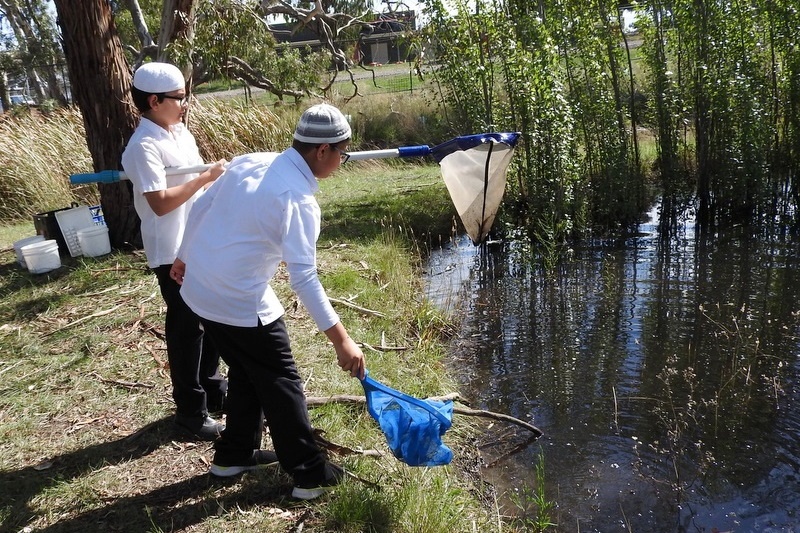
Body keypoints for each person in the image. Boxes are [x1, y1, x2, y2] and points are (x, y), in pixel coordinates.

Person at [170, 103, 366, 500]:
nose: (342, 161)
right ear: (323, 150)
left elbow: (203, 204)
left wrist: (184, 255)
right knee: (282, 380)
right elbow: (304, 277)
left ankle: (233, 455)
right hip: (235, 297)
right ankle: (309, 475)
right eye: (342, 153)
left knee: (245, 369)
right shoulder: (296, 198)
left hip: (199, 290)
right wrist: (341, 340)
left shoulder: (251, 161)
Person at [121, 62, 228, 441]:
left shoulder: (179, 132)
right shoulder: (142, 146)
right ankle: (190, 413)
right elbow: (161, 203)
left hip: (199, 242)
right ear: (154, 100)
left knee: (210, 320)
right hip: (170, 251)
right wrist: (204, 177)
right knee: (186, 330)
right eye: (179, 98)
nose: (185, 104)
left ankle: (213, 389)